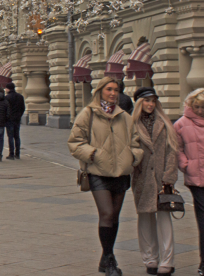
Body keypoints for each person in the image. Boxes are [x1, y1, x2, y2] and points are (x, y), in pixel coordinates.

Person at [68, 77, 143, 276]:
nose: (112, 93)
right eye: (109, 89)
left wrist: (133, 157)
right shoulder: (88, 114)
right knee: (107, 214)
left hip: (120, 173)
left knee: (114, 217)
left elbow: (136, 142)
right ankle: (110, 261)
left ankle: (105, 257)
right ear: (100, 91)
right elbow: (75, 142)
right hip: (97, 172)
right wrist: (93, 155)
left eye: (115, 90)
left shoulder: (125, 117)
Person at [131, 87, 178, 276]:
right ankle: (150, 259)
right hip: (142, 179)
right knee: (145, 218)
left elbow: (172, 151)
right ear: (139, 103)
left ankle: (167, 261)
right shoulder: (132, 124)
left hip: (162, 179)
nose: (150, 104)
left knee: (164, 219)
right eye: (146, 101)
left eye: (153, 101)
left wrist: (169, 177)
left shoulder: (164, 123)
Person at [174, 88, 204, 276]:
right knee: (203, 220)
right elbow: (177, 148)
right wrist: (186, 165)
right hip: (196, 179)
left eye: (203, 107)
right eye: (197, 106)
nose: (200, 110)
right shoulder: (181, 124)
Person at [5, 82, 26, 160]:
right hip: (17, 119)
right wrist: (19, 115)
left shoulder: (7, 97)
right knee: (17, 136)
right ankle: (18, 154)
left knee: (10, 136)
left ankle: (11, 154)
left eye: (6, 88)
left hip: (10, 119)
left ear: (8, 89)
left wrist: (7, 117)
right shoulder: (20, 97)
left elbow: (6, 109)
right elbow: (23, 108)